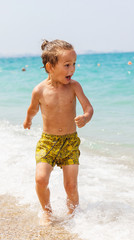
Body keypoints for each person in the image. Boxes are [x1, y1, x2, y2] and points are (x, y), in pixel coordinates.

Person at [23, 39, 93, 225]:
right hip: (48, 142)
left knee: (70, 185)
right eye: (67, 65)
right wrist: (28, 120)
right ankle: (47, 211)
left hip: (70, 142)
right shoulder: (39, 90)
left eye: (74, 64)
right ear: (50, 67)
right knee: (40, 179)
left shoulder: (74, 87)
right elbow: (32, 109)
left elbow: (88, 108)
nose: (72, 69)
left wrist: (85, 117)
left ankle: (74, 216)